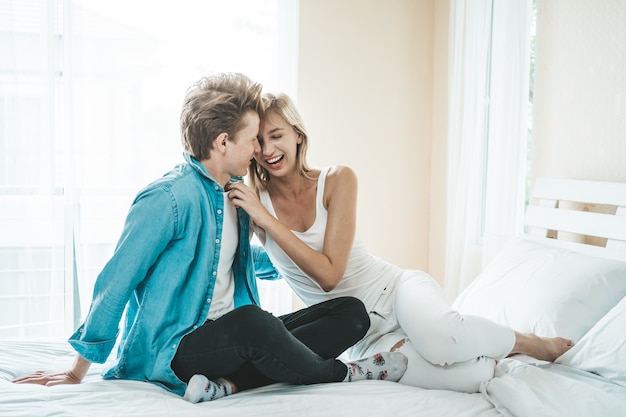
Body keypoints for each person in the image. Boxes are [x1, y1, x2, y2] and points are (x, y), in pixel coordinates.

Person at [12, 74, 408, 403]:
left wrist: (323, 256)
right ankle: (343, 374)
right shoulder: (168, 198)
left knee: (349, 312)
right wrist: (77, 369)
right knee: (255, 323)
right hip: (176, 351)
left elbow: (234, 261)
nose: (259, 150)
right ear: (223, 142)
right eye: (253, 138)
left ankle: (229, 387)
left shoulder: (235, 193)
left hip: (230, 338)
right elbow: (116, 282)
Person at [224, 92, 574, 393]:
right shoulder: (254, 204)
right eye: (259, 141)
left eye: (277, 135)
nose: (268, 150)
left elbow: (329, 275)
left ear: (298, 135)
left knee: (442, 340)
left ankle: (529, 342)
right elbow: (252, 260)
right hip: (360, 336)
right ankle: (485, 347)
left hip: (397, 292)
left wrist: (264, 218)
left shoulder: (337, 179)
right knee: (473, 376)